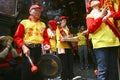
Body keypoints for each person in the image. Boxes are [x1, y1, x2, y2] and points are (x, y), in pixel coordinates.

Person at [86, 0, 120, 80]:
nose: (96, 1)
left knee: (113, 70)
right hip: (101, 45)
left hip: (113, 43)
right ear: (90, 5)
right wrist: (101, 17)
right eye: (93, 1)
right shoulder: (90, 16)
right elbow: (91, 29)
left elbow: (117, 16)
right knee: (103, 70)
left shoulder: (108, 13)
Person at [14, 5, 46, 80]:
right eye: (36, 10)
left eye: (39, 11)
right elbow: (17, 37)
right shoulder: (24, 22)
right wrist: (23, 46)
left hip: (39, 50)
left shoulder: (43, 24)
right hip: (28, 50)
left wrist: (46, 45)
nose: (38, 12)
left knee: (39, 73)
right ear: (30, 11)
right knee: (27, 73)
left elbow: (46, 38)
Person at [56, 16, 74, 80]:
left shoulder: (67, 29)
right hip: (61, 48)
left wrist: (72, 39)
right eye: (63, 20)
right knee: (63, 65)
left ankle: (71, 77)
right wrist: (71, 39)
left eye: (65, 20)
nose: (64, 22)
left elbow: (69, 37)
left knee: (70, 64)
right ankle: (64, 78)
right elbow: (62, 39)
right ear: (60, 21)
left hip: (68, 48)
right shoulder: (59, 28)